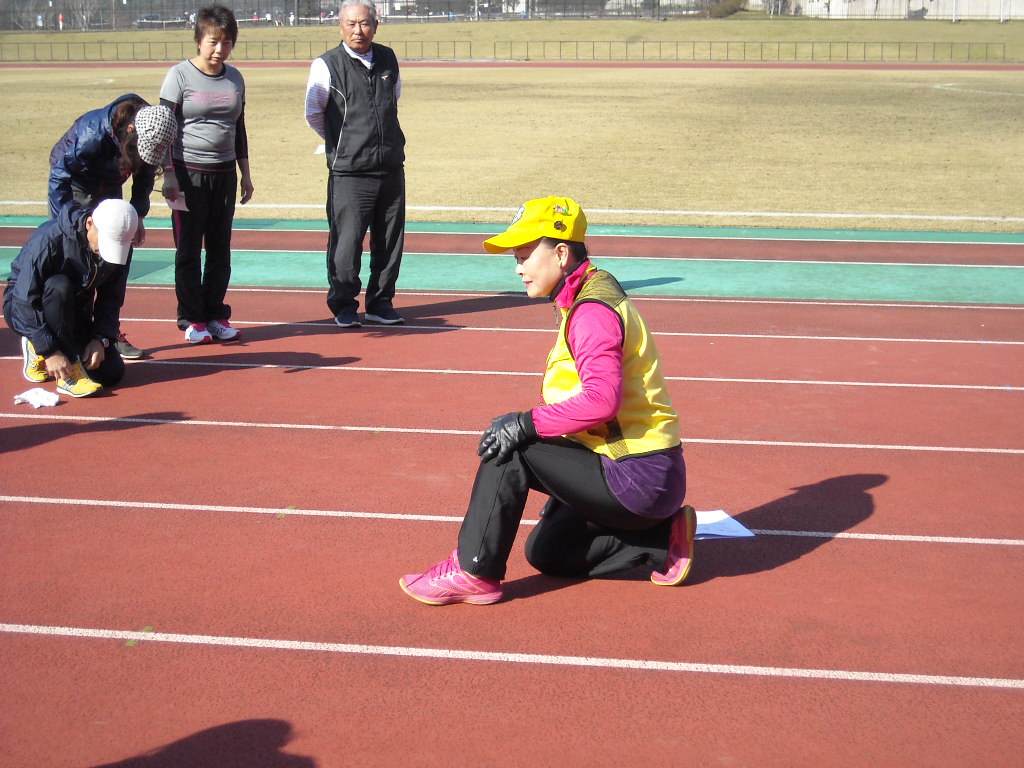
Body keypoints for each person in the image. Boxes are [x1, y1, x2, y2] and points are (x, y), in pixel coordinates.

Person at [400, 197, 695, 606]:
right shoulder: (584, 293)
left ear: (560, 252)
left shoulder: (591, 310)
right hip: (643, 477)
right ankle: (662, 540)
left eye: (523, 255)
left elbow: (601, 402)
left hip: (636, 476)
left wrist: (525, 424)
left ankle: (474, 570)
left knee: (510, 445)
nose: (518, 267)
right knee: (547, 553)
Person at [47, 94, 177, 359]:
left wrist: (137, 216)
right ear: (130, 131)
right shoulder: (91, 135)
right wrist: (66, 223)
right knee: (80, 261)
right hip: (75, 187)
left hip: (109, 188)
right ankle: (75, 335)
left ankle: (107, 332)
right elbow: (59, 176)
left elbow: (145, 173)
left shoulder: (148, 131)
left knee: (116, 260)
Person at [304, 0, 407, 329]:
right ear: (340, 27)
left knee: (390, 242)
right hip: (350, 172)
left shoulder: (388, 58)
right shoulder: (326, 65)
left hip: (390, 166)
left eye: (364, 24)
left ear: (375, 26)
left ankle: (380, 302)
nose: (357, 30)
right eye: (350, 24)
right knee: (347, 243)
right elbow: (314, 113)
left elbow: (394, 98)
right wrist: (341, 142)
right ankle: (344, 303)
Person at [160, 4, 254, 345]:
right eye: (213, 41)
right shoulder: (179, 76)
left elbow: (239, 127)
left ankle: (215, 314)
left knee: (220, 249)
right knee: (188, 249)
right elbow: (164, 130)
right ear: (199, 40)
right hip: (187, 174)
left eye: (226, 42)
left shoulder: (235, 78)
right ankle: (192, 319)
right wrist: (168, 174)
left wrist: (245, 173)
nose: (219, 49)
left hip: (224, 174)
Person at [4, 199, 139, 398]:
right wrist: (49, 350)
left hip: (73, 312)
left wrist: (100, 338)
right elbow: (24, 299)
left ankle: (55, 350)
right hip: (28, 310)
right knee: (59, 285)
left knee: (111, 373)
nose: (105, 251)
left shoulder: (123, 248)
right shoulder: (49, 240)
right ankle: (54, 362)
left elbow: (112, 297)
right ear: (90, 224)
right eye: (105, 242)